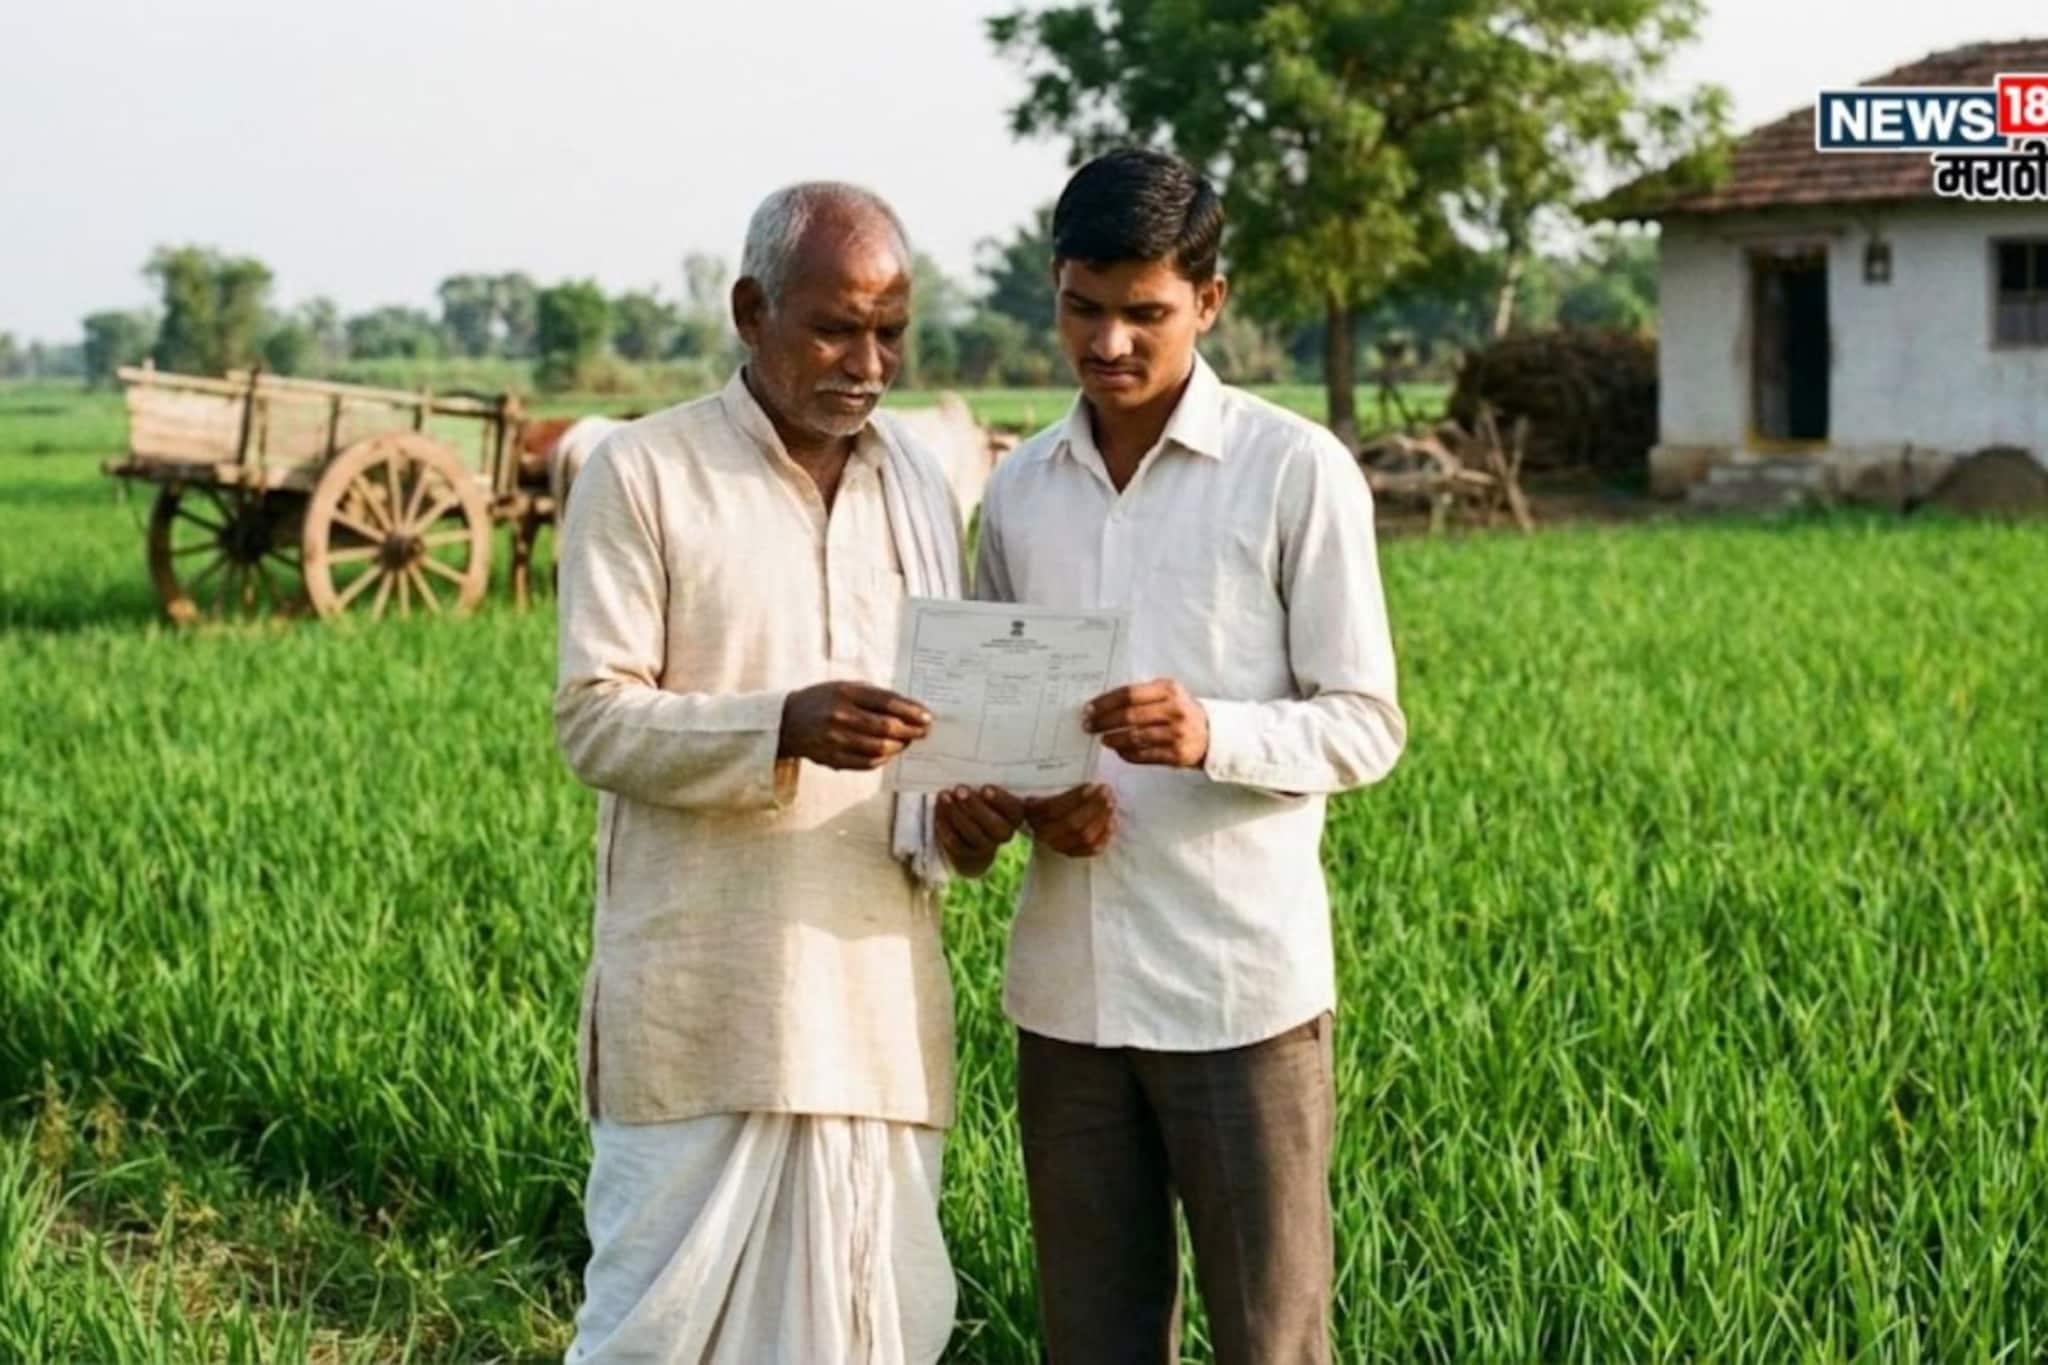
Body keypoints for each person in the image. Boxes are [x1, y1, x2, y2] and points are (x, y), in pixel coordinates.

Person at [553, 180, 1018, 1365]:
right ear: (749, 310)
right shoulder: (643, 472)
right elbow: (594, 721)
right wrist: (781, 725)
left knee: (882, 1318)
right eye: (834, 326)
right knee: (657, 1333)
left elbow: (944, 726)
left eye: (891, 329)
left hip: (871, 1000)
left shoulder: (917, 478)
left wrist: (965, 819)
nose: (868, 360)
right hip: (704, 997)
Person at [972, 148, 1408, 1364]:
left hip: (1237, 994)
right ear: (1051, 289)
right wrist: (1017, 805)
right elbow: (997, 720)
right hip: (1066, 994)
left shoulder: (1292, 471)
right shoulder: (1016, 490)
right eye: (1081, 306)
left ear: (1208, 303)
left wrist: (1209, 730)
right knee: (1090, 1339)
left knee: (1269, 1341)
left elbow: (1364, 721)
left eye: (1144, 313)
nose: (1107, 342)